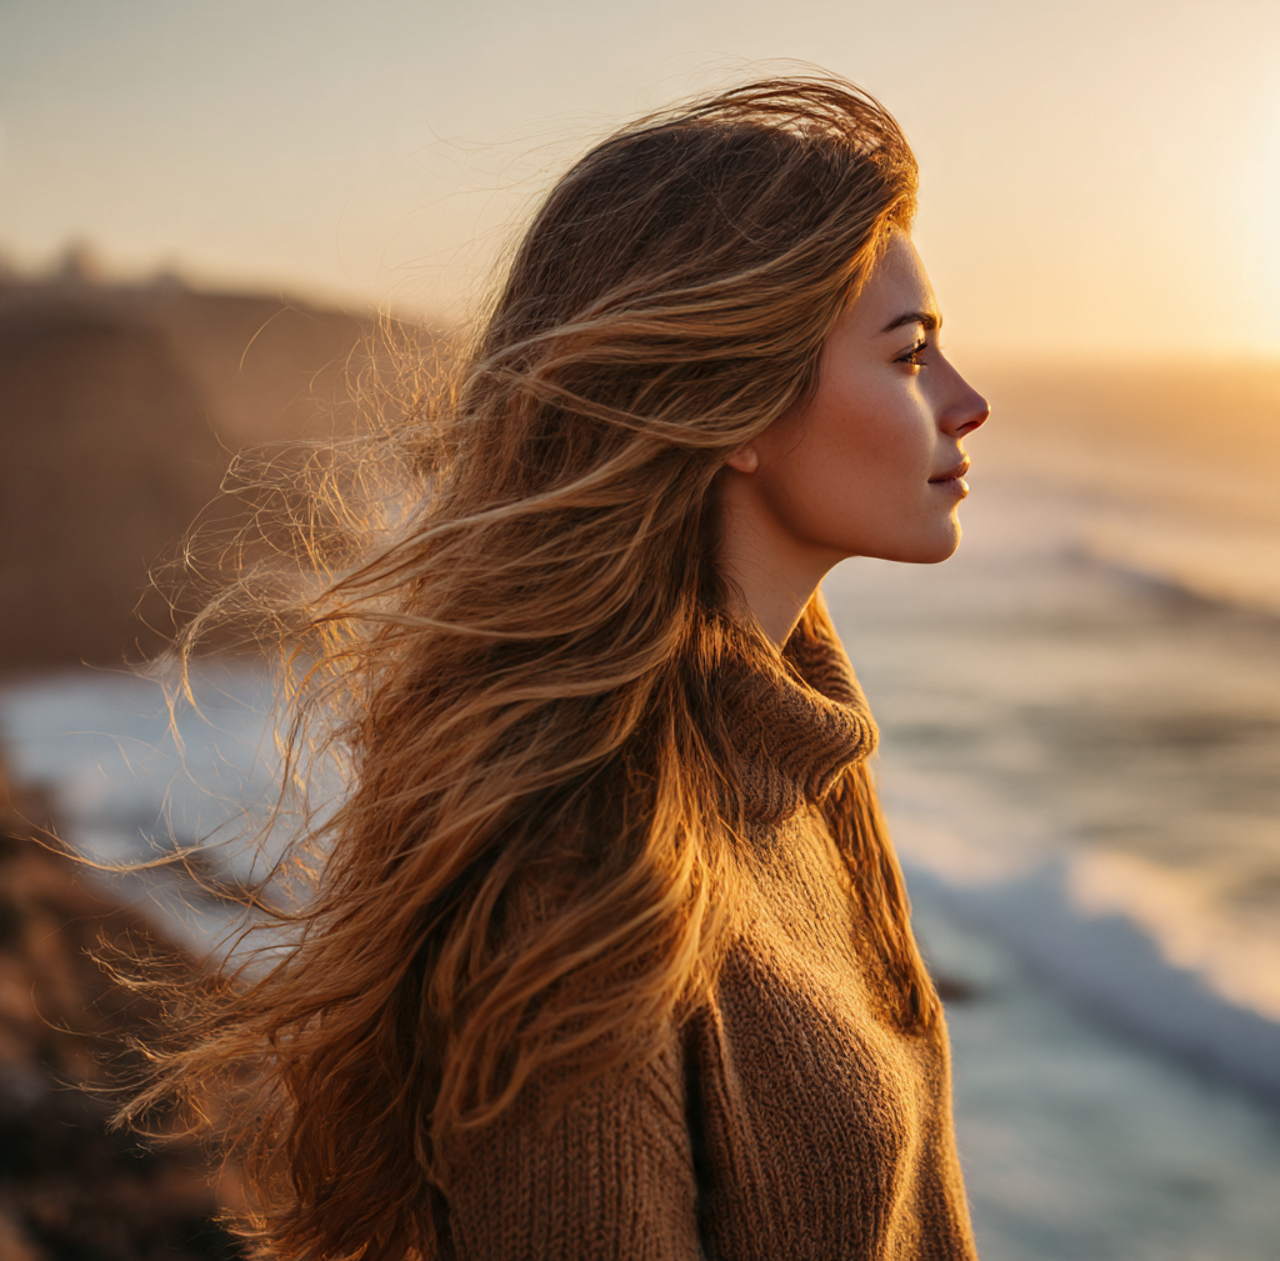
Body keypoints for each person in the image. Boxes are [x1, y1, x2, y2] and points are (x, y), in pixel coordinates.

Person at [138, 74, 990, 1260]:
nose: (967, 403)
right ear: (732, 398)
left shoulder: (798, 751)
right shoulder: (580, 876)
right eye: (909, 357)